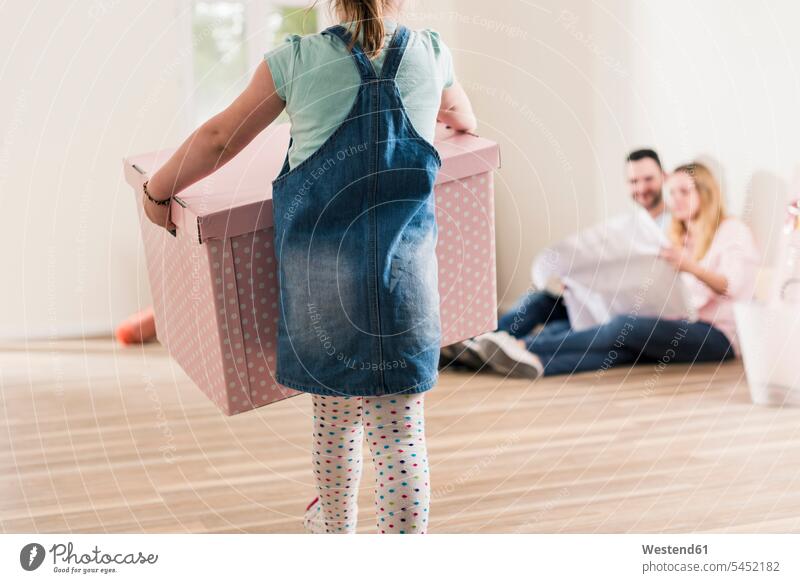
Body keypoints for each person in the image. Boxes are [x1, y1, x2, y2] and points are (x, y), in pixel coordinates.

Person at [140, 0, 476, 534]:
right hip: (406, 285)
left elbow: (217, 139)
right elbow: (464, 119)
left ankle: (334, 533)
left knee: (335, 420)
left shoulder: (295, 62)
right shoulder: (431, 52)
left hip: (324, 293)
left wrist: (157, 191)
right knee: (401, 434)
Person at [463, 162, 760, 377]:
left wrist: (689, 266)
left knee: (623, 328)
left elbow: (732, 286)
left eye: (685, 191)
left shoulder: (732, 231)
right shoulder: (678, 237)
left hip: (717, 337)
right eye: (674, 193)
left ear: (706, 193)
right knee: (620, 348)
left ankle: (518, 344)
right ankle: (533, 362)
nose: (677, 200)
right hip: (677, 321)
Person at [441, 148, 671, 376]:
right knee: (539, 300)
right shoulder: (626, 226)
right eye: (633, 181)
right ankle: (479, 344)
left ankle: (499, 352)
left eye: (648, 179)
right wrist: (577, 279)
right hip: (596, 304)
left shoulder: (675, 226)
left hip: (624, 315)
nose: (641, 188)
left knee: (557, 331)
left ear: (664, 176)